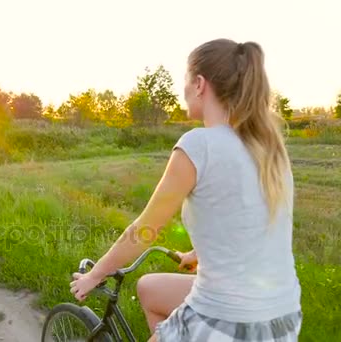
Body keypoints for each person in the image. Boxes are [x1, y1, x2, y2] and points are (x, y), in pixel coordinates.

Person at [70, 38, 302, 341]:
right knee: (148, 288)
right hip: (281, 316)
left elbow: (144, 230)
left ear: (200, 84)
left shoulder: (198, 145)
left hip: (224, 318)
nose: (183, 90)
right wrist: (199, 252)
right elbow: (251, 223)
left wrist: (94, 275)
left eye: (185, 81)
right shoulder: (270, 150)